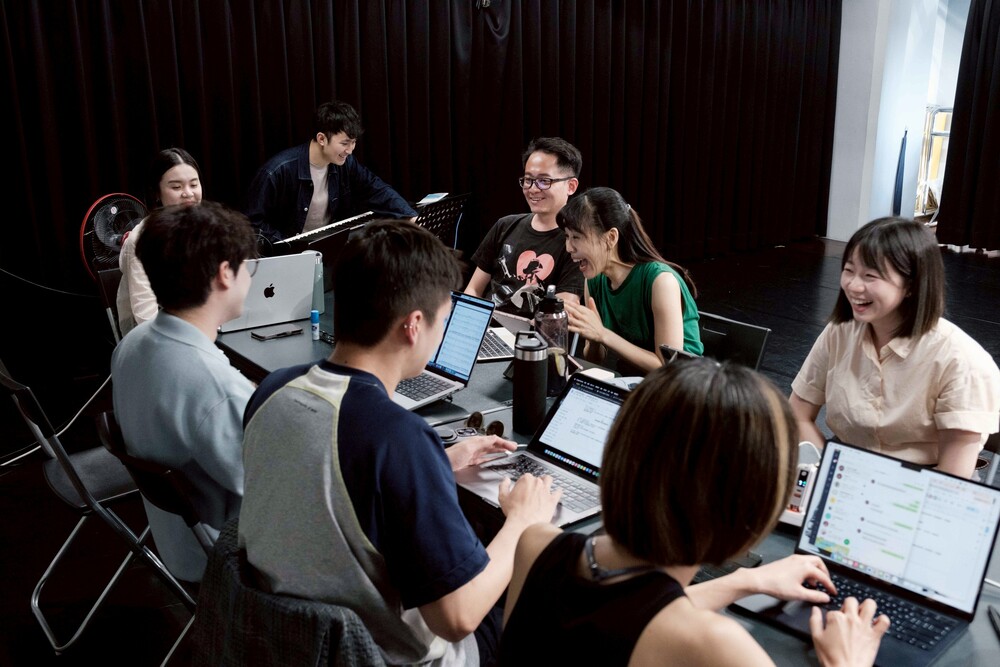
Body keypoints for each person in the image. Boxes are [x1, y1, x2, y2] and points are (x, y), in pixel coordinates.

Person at [239, 220, 561, 665]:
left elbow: (324, 473)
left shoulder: (273, 389)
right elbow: (458, 617)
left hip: (285, 640)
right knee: (550, 601)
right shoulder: (395, 438)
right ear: (413, 326)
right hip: (376, 654)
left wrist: (435, 462)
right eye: (443, 321)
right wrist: (522, 522)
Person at [500, 358, 889, 666]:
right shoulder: (717, 644)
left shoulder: (536, 545)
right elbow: (662, 623)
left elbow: (628, 611)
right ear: (750, 514)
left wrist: (747, 582)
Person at [111, 201, 258, 584]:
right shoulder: (217, 389)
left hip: (176, 540)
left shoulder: (129, 347)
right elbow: (273, 487)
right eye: (247, 266)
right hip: (227, 555)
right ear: (225, 274)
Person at [790, 217, 1000, 478]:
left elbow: (952, 477)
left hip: (922, 483)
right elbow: (798, 415)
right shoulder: (840, 331)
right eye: (849, 270)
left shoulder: (962, 361)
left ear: (911, 285)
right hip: (844, 467)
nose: (853, 285)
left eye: (870, 276)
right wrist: (829, 472)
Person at [558, 186, 702, 374]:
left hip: (682, 383)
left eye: (576, 237)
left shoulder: (661, 281)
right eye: (567, 237)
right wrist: (593, 338)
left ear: (611, 237)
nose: (569, 247)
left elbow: (668, 367)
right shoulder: (594, 280)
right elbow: (595, 358)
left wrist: (603, 333)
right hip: (632, 381)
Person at [246, 100, 417, 246]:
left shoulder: (346, 163)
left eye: (354, 142)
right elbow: (253, 225)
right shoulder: (277, 171)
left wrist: (409, 216)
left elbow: (375, 188)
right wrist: (289, 246)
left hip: (329, 248)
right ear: (321, 139)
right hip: (292, 255)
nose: (350, 150)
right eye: (345, 143)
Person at [464, 137, 584, 315]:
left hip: (535, 331)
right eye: (528, 180)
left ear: (571, 186)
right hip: (488, 326)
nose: (533, 189)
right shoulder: (505, 225)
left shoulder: (576, 242)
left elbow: (562, 312)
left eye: (544, 181)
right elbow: (474, 289)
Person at [116, 147, 203, 336]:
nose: (188, 193)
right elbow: (146, 316)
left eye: (194, 184)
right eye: (176, 187)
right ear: (156, 193)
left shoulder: (205, 230)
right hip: (158, 338)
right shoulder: (141, 241)